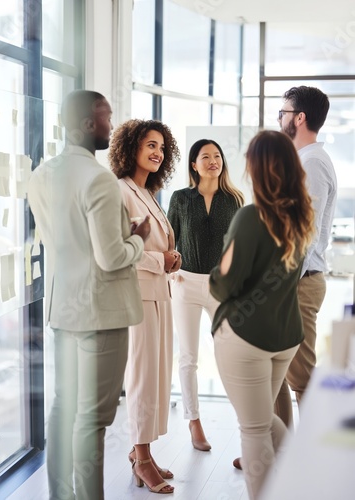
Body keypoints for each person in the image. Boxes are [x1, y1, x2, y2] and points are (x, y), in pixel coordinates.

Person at [28, 90, 151, 500]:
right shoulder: (97, 178)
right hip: (102, 313)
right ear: (86, 124)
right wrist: (138, 239)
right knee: (93, 420)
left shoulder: (43, 174)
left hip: (63, 308)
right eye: (106, 117)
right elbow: (112, 257)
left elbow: (57, 243)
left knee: (64, 409)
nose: (111, 126)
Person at [209, 130, 315, 500]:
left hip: (245, 337)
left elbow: (223, 285)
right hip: (284, 338)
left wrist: (216, 270)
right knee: (263, 421)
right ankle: (297, 477)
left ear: (256, 168)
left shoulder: (251, 217)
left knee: (253, 428)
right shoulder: (302, 218)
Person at [108, 118, 181, 494]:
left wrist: (172, 258)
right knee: (141, 378)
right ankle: (141, 457)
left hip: (159, 295)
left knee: (155, 378)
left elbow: (154, 244)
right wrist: (159, 261)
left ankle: (144, 453)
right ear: (131, 148)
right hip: (137, 297)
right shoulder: (120, 191)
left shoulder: (148, 194)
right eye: (151, 145)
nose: (158, 153)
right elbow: (117, 249)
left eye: (162, 148)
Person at [166, 139, 244, 451]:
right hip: (184, 283)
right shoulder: (181, 199)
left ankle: (244, 422)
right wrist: (171, 274)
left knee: (230, 354)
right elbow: (169, 240)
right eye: (205, 157)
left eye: (217, 156)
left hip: (220, 287)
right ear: (193, 165)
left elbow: (238, 247)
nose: (213, 161)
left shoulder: (234, 199)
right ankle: (194, 422)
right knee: (188, 357)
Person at [275, 86, 337, 426]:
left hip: (298, 283)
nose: (279, 118)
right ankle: (275, 444)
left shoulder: (311, 163)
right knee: (278, 370)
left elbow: (305, 234)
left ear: (299, 117)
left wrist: (279, 284)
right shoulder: (302, 160)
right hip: (293, 280)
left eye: (282, 112)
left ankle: (310, 459)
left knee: (301, 375)